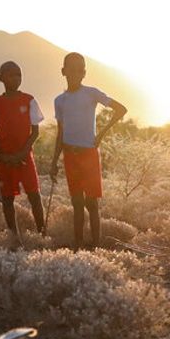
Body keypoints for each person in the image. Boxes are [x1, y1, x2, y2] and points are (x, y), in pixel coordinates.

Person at [48, 52, 127, 249]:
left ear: (84, 73)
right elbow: (61, 132)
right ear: (63, 71)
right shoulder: (60, 101)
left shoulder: (91, 93)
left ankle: (96, 247)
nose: (74, 73)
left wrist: (101, 134)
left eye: (79, 70)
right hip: (69, 155)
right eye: (70, 70)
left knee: (91, 204)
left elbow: (121, 110)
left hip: (88, 154)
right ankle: (78, 246)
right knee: (76, 204)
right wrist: (54, 162)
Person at [0, 61, 46, 240]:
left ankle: (42, 232)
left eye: (19, 74)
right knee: (7, 198)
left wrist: (22, 153)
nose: (16, 78)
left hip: (24, 156)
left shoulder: (29, 100)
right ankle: (14, 236)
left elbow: (35, 132)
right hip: (3, 158)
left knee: (34, 195)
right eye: (11, 74)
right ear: (1, 78)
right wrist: (1, 155)